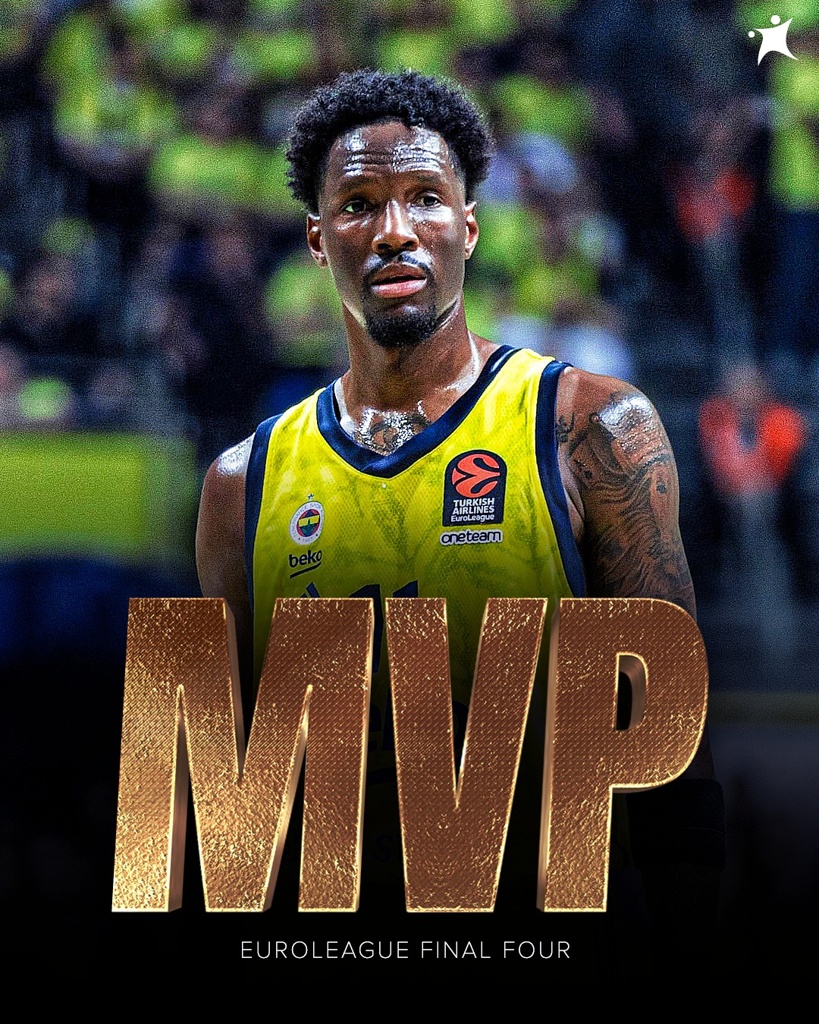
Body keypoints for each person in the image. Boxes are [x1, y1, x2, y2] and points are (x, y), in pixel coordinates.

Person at [195, 69, 724, 956]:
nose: (394, 231)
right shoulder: (238, 486)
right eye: (357, 205)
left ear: (468, 228)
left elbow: (671, 740)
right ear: (317, 238)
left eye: (425, 199)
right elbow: (233, 795)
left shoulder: (589, 425)